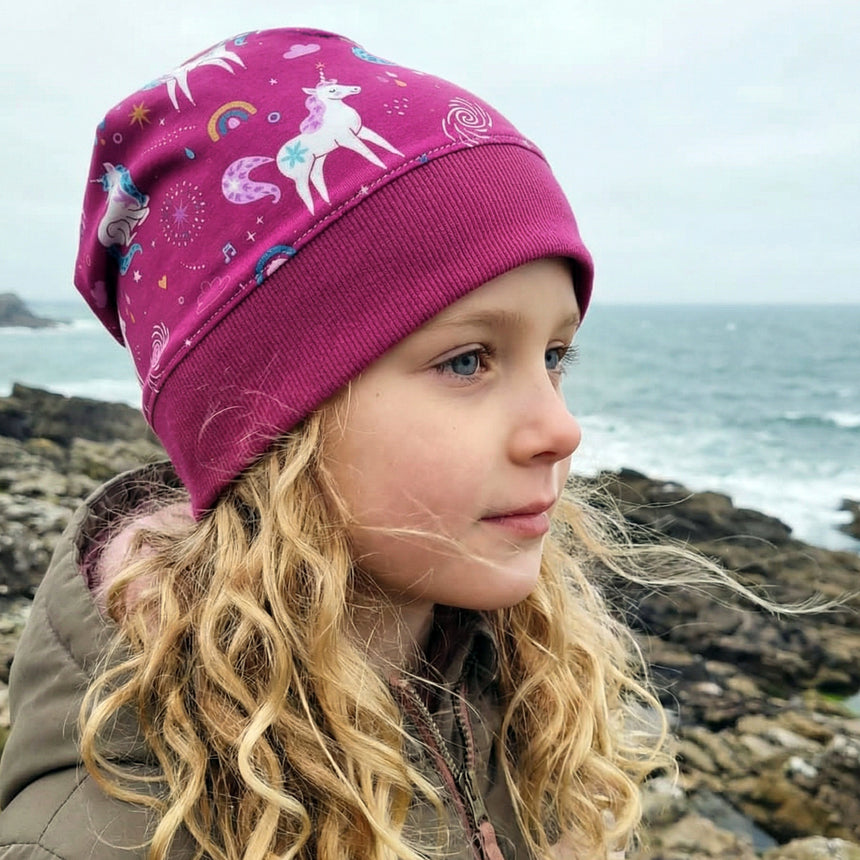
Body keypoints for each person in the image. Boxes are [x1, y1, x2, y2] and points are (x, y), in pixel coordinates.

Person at [0, 28, 677, 860]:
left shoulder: (511, 694)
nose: (560, 429)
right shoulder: (101, 839)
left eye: (555, 356)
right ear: (269, 427)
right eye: (468, 360)